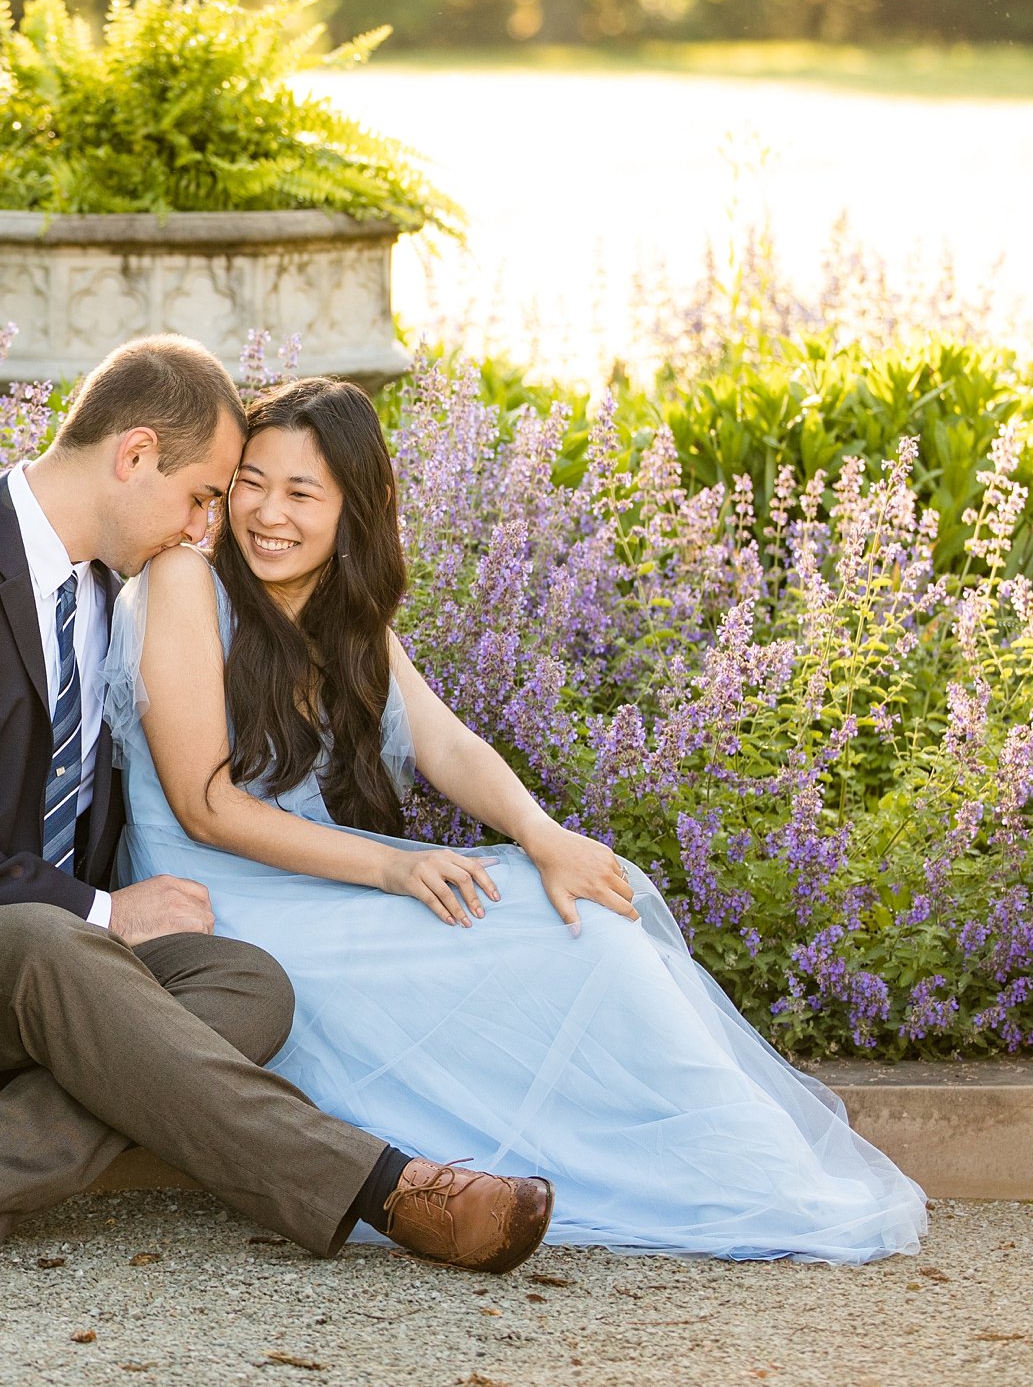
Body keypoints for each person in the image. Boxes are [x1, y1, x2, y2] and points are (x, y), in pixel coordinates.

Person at [0, 337, 553, 1277]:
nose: (205, 528)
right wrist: (104, 911)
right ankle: (391, 1189)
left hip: (15, 965)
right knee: (53, 943)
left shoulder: (105, 593)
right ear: (134, 456)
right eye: (205, 496)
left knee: (247, 985)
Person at [110, 375, 928, 1261]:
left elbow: (449, 747)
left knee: (594, 909)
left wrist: (545, 837)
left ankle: (742, 1173)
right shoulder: (187, 579)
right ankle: (688, 1175)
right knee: (524, 919)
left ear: (355, 510)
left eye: (302, 493)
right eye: (250, 484)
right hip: (219, 903)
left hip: (313, 881)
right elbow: (205, 805)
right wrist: (393, 867)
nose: (267, 513)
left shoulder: (345, 621)